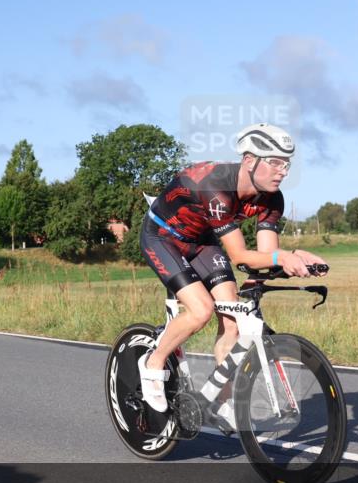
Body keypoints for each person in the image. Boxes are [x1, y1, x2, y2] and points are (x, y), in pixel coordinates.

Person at [138, 123, 328, 432]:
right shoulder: (216, 187)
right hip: (163, 236)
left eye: (287, 164)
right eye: (275, 162)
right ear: (250, 160)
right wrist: (282, 258)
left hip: (202, 241)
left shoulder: (272, 199)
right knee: (201, 310)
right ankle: (153, 362)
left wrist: (296, 257)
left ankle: (221, 402)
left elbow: (266, 256)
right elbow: (240, 255)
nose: (283, 171)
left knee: (233, 321)